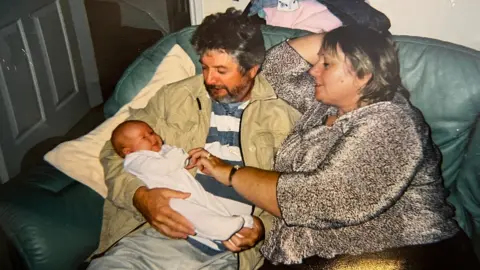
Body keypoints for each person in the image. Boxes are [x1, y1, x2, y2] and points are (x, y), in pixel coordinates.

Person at [187, 25, 479, 269]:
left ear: (364, 75)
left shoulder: (391, 120)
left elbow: (318, 200)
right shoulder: (322, 106)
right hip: (318, 255)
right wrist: (342, 36)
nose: (313, 71)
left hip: (399, 254)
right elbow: (277, 67)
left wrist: (230, 174)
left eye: (326, 64)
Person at [88, 8, 301, 270]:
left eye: (221, 70)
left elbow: (298, 194)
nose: (209, 79)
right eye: (205, 67)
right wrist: (140, 197)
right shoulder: (175, 97)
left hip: (226, 250)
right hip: (153, 239)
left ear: (252, 69)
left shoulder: (283, 117)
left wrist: (262, 228)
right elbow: (114, 151)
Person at [110, 120, 254, 247]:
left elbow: (178, 157)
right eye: (144, 137)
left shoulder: (162, 149)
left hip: (189, 187)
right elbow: (162, 166)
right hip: (170, 199)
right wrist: (180, 157)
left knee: (208, 202)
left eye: (151, 132)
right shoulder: (134, 160)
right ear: (128, 151)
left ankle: (233, 221)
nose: (152, 137)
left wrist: (187, 160)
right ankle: (219, 229)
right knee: (194, 214)